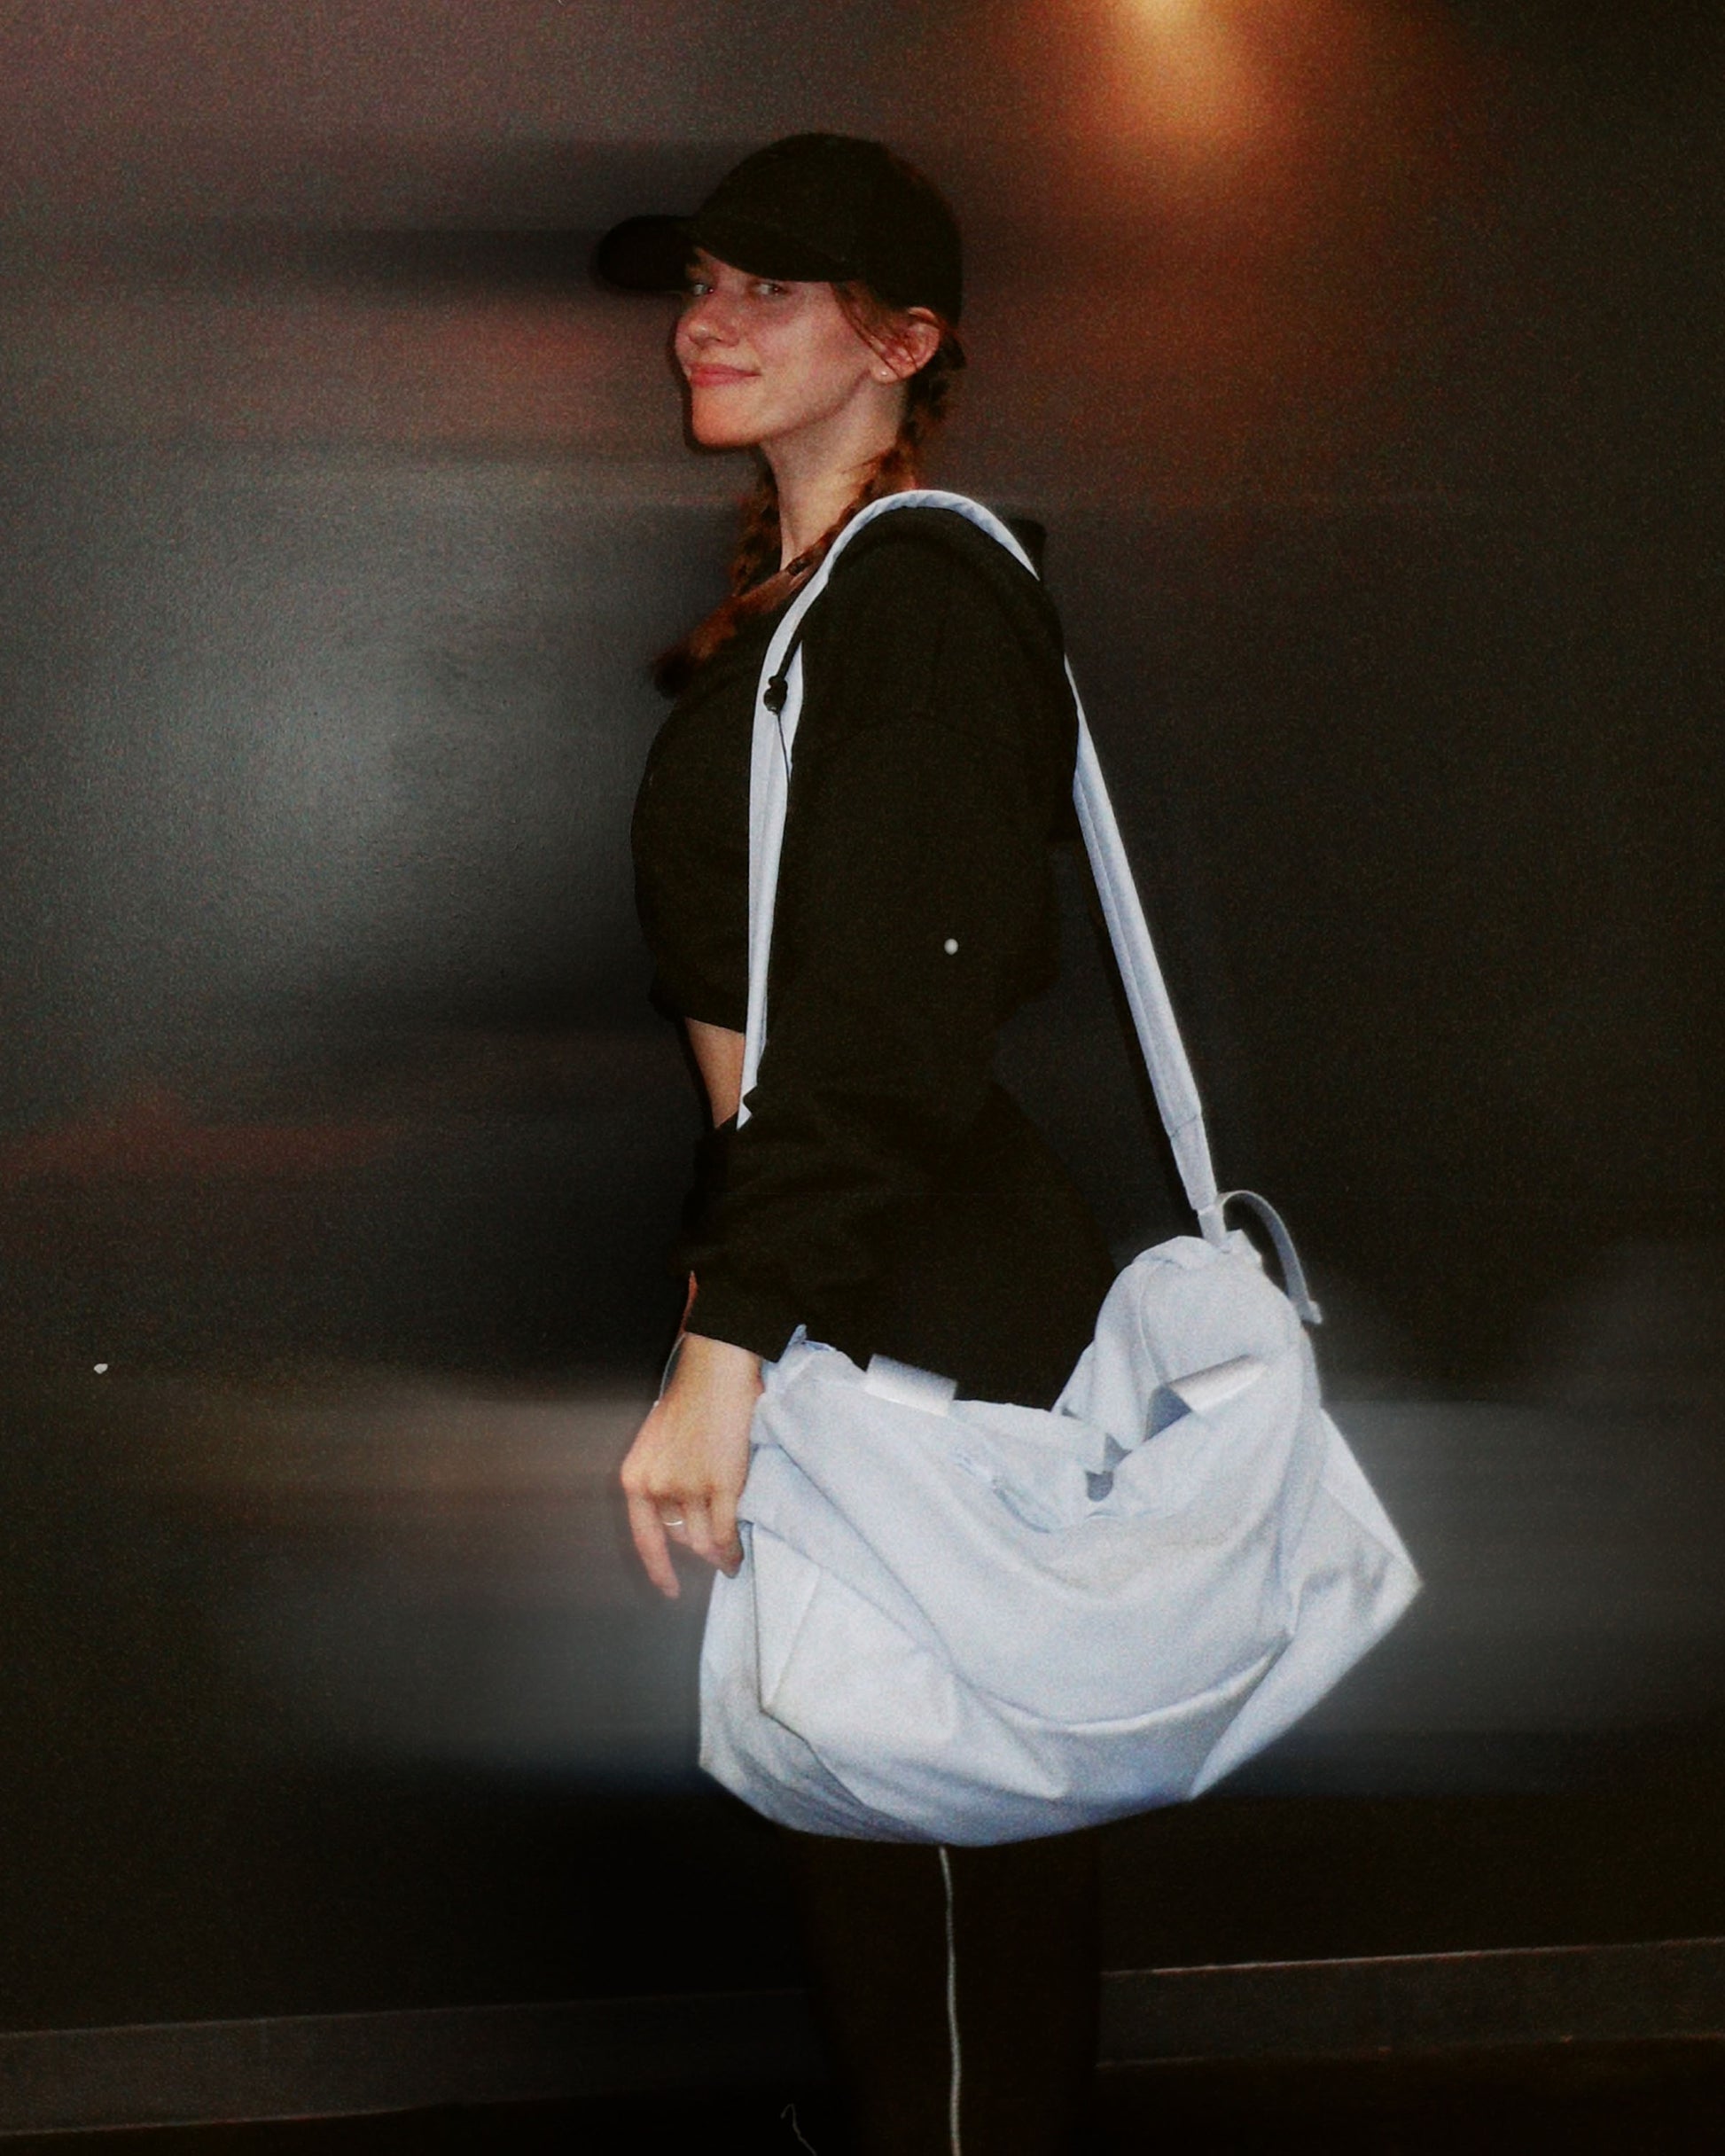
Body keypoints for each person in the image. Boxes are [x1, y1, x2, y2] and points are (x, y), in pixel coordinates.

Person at [602, 133, 1148, 2155]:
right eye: (701, 280)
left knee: (935, 1866)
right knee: (896, 1839)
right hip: (850, 1270)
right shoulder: (815, 611)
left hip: (905, 1285)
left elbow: (891, 1026)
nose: (704, 320)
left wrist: (728, 1339)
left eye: (771, 287)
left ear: (905, 342)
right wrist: (736, 1296)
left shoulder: (915, 599)